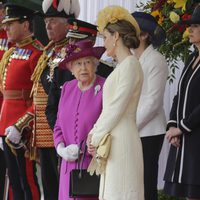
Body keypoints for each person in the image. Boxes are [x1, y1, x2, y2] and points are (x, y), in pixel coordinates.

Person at [87, 5, 144, 200]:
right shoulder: (122, 66)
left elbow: (116, 108)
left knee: (122, 192)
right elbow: (110, 109)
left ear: (116, 36)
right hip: (113, 139)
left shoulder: (131, 65)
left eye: (105, 37)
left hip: (123, 140)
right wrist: (94, 132)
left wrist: (94, 135)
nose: (104, 43)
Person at [26, 0, 80, 199]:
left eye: (53, 21)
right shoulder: (48, 51)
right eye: (46, 21)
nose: (47, 26)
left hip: (59, 129)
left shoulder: (72, 51)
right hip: (43, 130)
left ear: (68, 24)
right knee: (48, 187)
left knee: (63, 187)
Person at [0, 3, 43, 200]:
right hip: (6, 121)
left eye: (10, 24)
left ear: (25, 25)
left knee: (27, 180)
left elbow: (40, 96)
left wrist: (24, 124)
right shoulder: (11, 52)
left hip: (23, 125)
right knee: (14, 181)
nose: (5, 28)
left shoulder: (37, 53)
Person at [53, 39, 105, 200]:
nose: (83, 68)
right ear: (71, 68)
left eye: (88, 62)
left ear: (95, 64)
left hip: (92, 165)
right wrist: (61, 149)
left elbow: (109, 125)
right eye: (78, 63)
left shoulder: (105, 87)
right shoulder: (67, 88)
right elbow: (58, 126)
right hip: (68, 167)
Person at [46, 18, 114, 130]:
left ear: (92, 41)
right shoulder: (60, 70)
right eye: (70, 40)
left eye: (76, 40)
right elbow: (51, 108)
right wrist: (62, 134)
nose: (72, 44)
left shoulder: (106, 70)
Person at [163, 4, 200, 200]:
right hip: (185, 138)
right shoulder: (192, 57)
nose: (189, 30)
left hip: (196, 137)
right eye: (189, 26)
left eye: (195, 26)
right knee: (189, 194)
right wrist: (173, 126)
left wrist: (182, 127)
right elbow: (179, 94)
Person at [131, 12, 168, 200]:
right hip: (133, 129)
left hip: (149, 131)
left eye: (132, 31)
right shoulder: (129, 60)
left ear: (144, 35)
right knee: (132, 183)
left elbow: (152, 102)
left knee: (146, 182)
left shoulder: (156, 60)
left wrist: (130, 126)